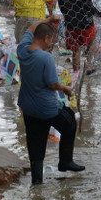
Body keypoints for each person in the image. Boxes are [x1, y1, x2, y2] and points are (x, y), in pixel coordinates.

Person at [16, 15, 85, 185]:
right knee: (70, 121)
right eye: (51, 40)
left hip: (27, 107)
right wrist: (66, 88)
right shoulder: (45, 58)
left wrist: (48, 20)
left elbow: (30, 29)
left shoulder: (22, 49)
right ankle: (65, 161)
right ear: (46, 38)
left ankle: (37, 181)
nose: (51, 44)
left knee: (35, 142)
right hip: (46, 108)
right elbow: (52, 84)